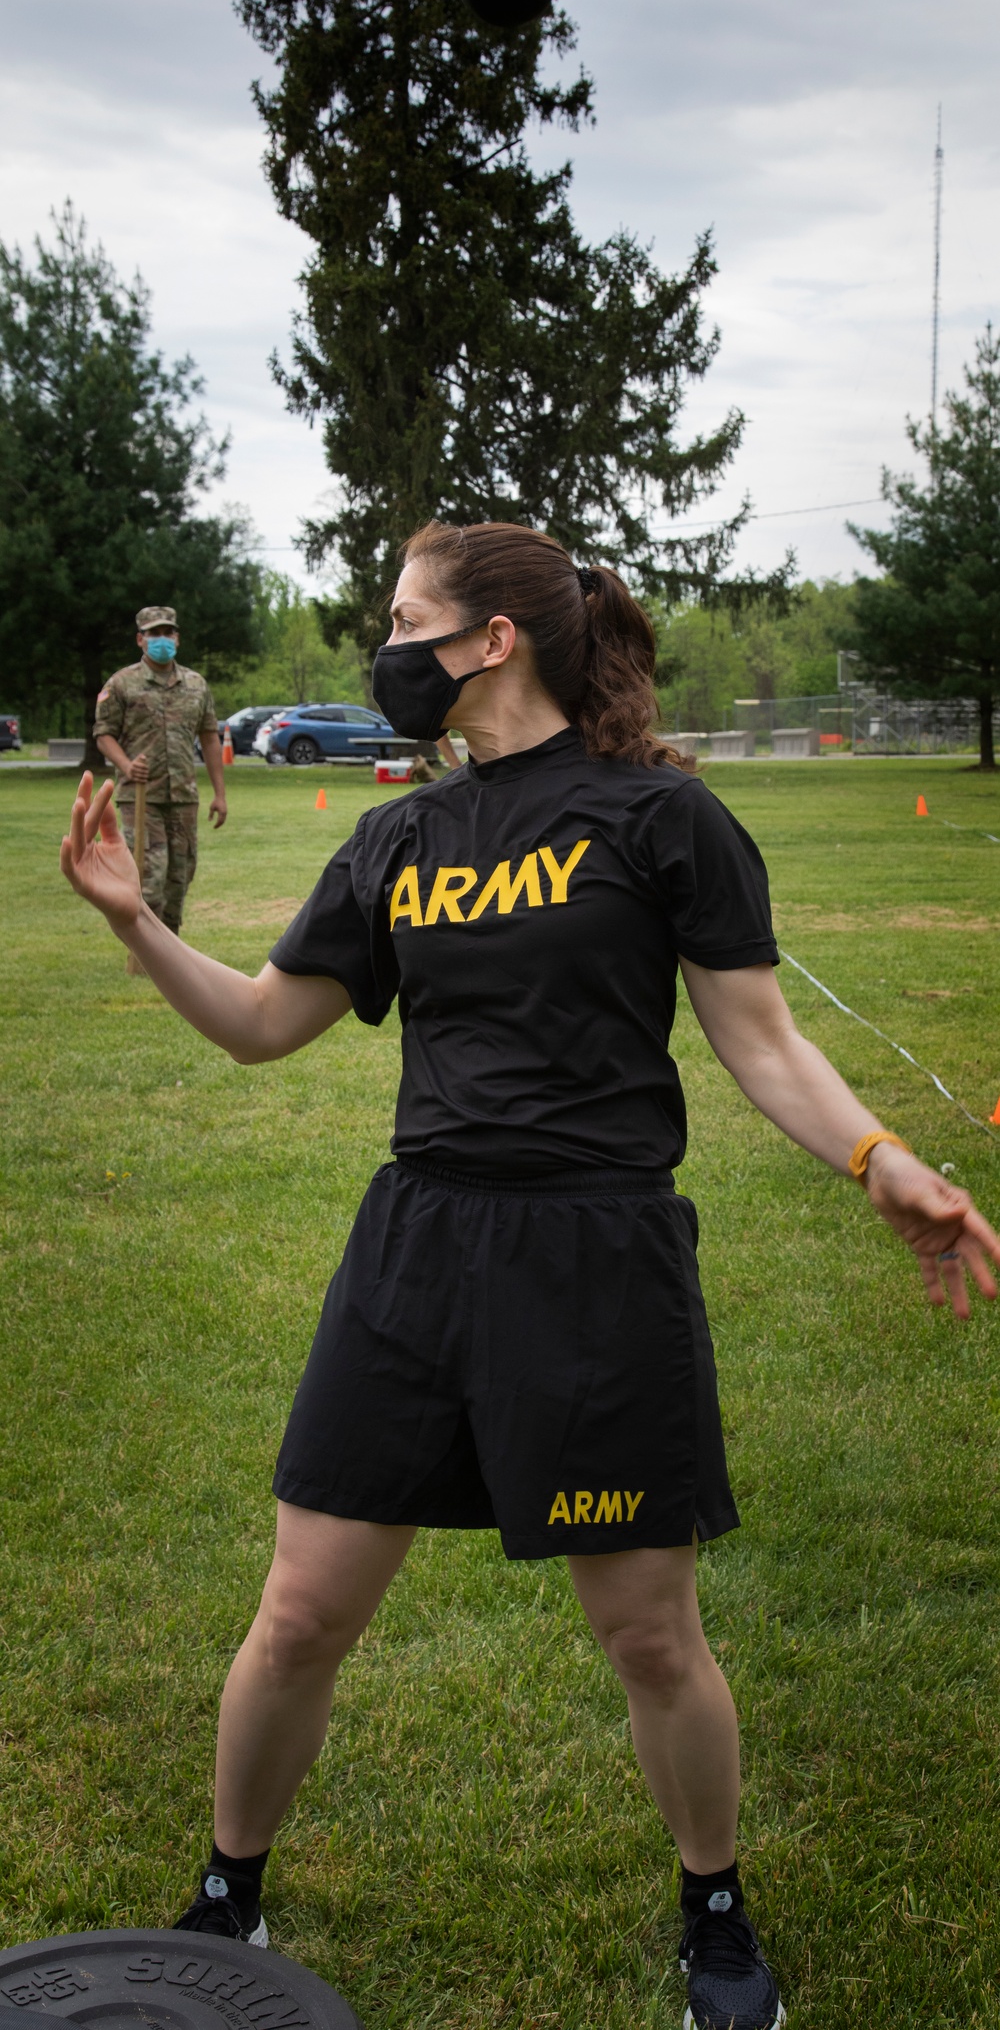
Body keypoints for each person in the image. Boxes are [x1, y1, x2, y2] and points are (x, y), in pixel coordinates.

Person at [61, 522, 1000, 2030]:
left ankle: (715, 1906)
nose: (389, 649)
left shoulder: (659, 818)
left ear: (492, 639)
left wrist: (880, 1155)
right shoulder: (396, 841)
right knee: (298, 1611)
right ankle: (227, 1893)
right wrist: (132, 922)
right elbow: (256, 1024)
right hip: (417, 1247)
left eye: (405, 620)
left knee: (646, 1628)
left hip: (598, 1251)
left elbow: (759, 1035)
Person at [94, 606, 228, 936]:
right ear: (141, 639)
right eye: (155, 633)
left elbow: (210, 738)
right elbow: (103, 734)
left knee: (179, 877)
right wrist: (126, 765)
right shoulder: (122, 683)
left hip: (183, 796)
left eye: (168, 632)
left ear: (177, 638)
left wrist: (220, 794)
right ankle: (144, 948)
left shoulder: (196, 685)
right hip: (141, 798)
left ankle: (170, 945)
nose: (162, 639)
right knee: (148, 876)